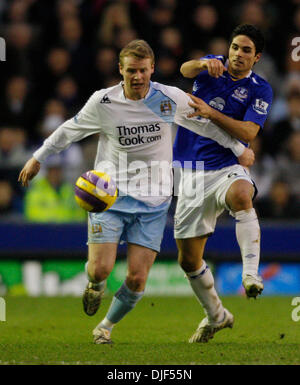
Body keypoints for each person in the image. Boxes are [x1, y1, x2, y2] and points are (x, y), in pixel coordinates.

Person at [19, 39, 253, 345]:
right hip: (109, 195)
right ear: (121, 70)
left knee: (137, 278)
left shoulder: (168, 98)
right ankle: (94, 285)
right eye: (131, 70)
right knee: (100, 269)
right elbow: (69, 129)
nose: (137, 76)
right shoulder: (104, 102)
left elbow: (205, 125)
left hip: (154, 200)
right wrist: (39, 157)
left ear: (152, 69)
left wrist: (238, 147)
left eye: (143, 70)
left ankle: (105, 327)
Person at [173, 24, 273, 343]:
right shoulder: (211, 66)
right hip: (190, 170)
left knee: (243, 194)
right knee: (188, 260)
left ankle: (251, 274)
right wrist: (203, 63)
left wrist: (209, 113)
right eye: (234, 47)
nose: (237, 54)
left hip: (226, 167)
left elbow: (248, 134)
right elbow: (184, 69)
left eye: (246, 50)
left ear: (256, 57)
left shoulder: (261, 90)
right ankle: (217, 316)